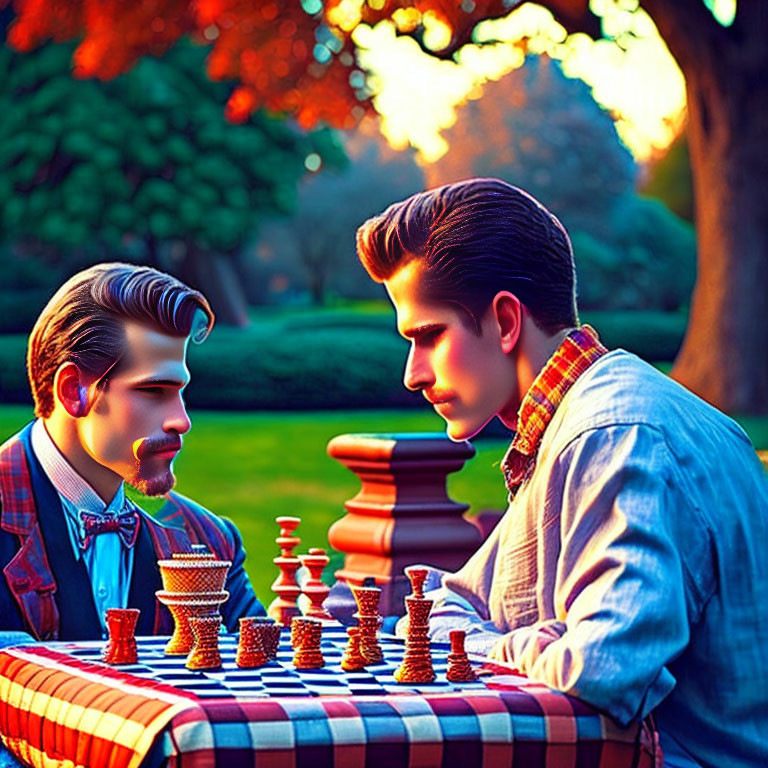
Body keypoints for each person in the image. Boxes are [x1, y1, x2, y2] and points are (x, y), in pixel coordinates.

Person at [355, 178, 768, 768]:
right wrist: (531, 640)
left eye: (428, 336)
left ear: (503, 321)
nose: (412, 374)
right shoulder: (583, 420)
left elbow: (600, 671)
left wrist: (505, 645)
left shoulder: (612, 435)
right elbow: (450, 607)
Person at [0, 263, 263, 644]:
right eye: (154, 391)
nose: (181, 420)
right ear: (75, 391)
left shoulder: (207, 542)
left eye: (180, 392)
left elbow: (268, 670)